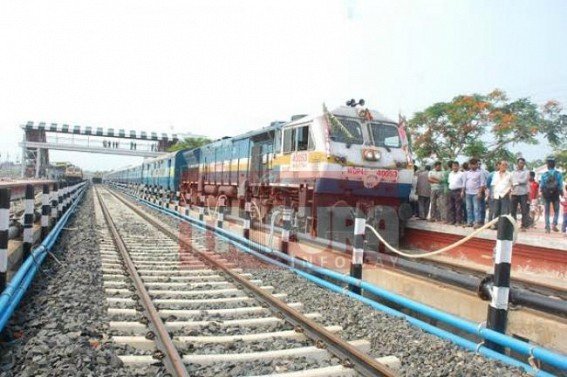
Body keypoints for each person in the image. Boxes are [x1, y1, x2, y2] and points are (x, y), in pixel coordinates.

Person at [540, 156, 564, 233]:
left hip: (546, 194)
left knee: (546, 211)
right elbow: (560, 185)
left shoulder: (544, 174)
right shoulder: (558, 174)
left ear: (548, 165)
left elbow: (542, 186)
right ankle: (554, 224)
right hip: (556, 194)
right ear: (554, 165)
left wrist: (542, 193)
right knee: (556, 210)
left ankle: (547, 227)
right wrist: (561, 193)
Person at [462, 158, 486, 229]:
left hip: (476, 193)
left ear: (476, 164)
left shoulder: (480, 173)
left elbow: (482, 184)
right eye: (471, 164)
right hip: (468, 193)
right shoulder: (466, 173)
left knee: (476, 208)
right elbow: (464, 183)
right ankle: (470, 222)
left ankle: (477, 223)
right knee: (468, 208)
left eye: (474, 164)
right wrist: (462, 191)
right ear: (469, 165)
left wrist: (479, 193)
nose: (473, 166)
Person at [489, 160, 512, 229]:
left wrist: (509, 191)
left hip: (505, 195)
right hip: (496, 195)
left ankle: (503, 226)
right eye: (503, 165)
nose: (504, 166)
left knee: (504, 212)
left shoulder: (510, 174)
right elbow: (493, 184)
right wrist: (492, 193)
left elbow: (513, 184)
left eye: (506, 165)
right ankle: (496, 225)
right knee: (496, 211)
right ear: (499, 166)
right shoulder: (495, 174)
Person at [511, 157, 530, 231]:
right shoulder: (513, 172)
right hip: (514, 193)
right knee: (513, 210)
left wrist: (516, 182)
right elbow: (511, 180)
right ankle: (513, 225)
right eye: (520, 163)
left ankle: (524, 226)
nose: (521, 164)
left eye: (522, 163)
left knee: (524, 210)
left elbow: (525, 180)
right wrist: (516, 182)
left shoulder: (527, 172)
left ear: (524, 164)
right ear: (517, 163)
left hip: (523, 193)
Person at [448, 161, 464, 225]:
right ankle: (453, 220)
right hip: (451, 191)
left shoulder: (461, 174)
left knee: (458, 207)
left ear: (458, 166)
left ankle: (458, 221)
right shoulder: (450, 174)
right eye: (453, 166)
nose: (454, 167)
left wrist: (462, 192)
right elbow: (449, 182)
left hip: (458, 191)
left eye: (455, 166)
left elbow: (463, 184)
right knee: (452, 207)